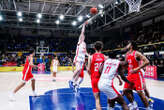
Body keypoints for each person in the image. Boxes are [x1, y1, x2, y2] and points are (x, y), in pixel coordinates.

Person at [123, 41, 152, 110]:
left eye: (129, 44)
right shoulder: (127, 54)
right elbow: (126, 64)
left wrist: (137, 68)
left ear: (132, 46)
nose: (128, 45)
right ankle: (134, 105)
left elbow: (147, 61)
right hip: (130, 74)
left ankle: (148, 107)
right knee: (125, 90)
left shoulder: (137, 53)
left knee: (140, 92)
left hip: (137, 74)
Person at [87, 41, 107, 110]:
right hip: (103, 79)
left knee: (97, 99)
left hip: (95, 79)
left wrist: (90, 76)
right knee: (110, 97)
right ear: (101, 47)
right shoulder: (104, 57)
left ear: (94, 48)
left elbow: (88, 69)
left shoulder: (91, 57)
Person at [69, 22, 87, 90]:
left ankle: (75, 83)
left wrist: (87, 55)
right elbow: (82, 32)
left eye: (83, 37)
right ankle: (71, 81)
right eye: (82, 36)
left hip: (82, 59)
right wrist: (84, 25)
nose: (83, 37)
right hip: (78, 58)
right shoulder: (80, 42)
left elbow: (85, 52)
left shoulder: (84, 44)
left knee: (79, 72)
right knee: (78, 69)